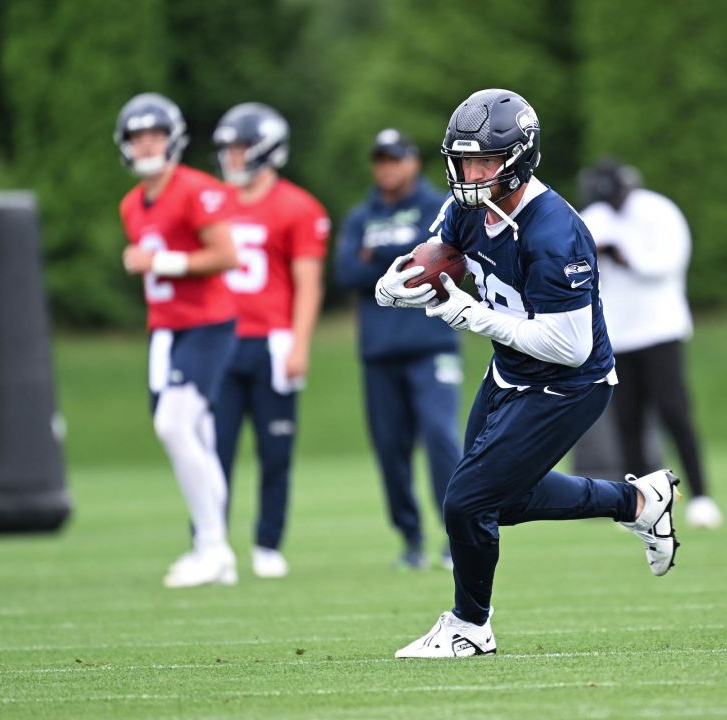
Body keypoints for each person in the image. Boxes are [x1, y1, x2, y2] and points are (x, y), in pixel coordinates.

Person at [376, 89, 681, 659]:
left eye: (485, 162)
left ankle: (470, 627)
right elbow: (438, 251)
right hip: (511, 372)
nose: (472, 174)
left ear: (519, 158)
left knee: (467, 502)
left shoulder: (554, 231)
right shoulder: (468, 205)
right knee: (499, 502)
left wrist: (471, 314)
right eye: (464, 161)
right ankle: (636, 502)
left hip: (570, 385)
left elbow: (569, 346)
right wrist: (403, 281)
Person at [114, 92, 240, 587]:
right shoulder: (131, 204)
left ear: (173, 139)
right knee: (199, 437)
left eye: (154, 135)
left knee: (173, 425)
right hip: (164, 329)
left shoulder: (195, 189)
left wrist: (159, 263)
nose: (146, 145)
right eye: (136, 137)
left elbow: (226, 254)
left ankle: (210, 544)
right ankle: (216, 550)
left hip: (206, 324)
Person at [210, 102, 331, 578]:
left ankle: (267, 543)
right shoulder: (213, 201)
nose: (232, 158)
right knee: (212, 449)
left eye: (240, 148)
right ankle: (210, 542)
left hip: (272, 342)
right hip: (218, 340)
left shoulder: (298, 207)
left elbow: (308, 281)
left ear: (265, 151)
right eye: (228, 149)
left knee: (274, 451)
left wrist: (300, 342)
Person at [335, 129, 461, 570]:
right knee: (390, 448)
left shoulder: (435, 206)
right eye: (380, 159)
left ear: (413, 161)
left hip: (431, 345)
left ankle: (455, 536)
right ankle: (410, 540)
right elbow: (347, 271)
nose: (387, 166)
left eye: (395, 158)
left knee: (440, 435)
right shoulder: (360, 215)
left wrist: (381, 255)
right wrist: (405, 259)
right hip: (379, 352)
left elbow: (445, 255)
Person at [578, 159, 723, 530]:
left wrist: (626, 257)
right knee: (627, 418)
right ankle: (638, 503)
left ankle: (702, 496)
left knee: (675, 412)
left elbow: (669, 262)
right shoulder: (593, 216)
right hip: (617, 334)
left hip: (660, 329)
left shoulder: (658, 211)